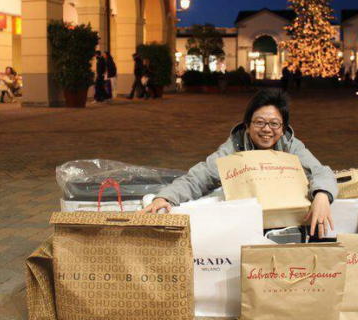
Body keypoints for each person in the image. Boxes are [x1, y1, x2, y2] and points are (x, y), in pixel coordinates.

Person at [140, 89, 338, 238]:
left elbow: (320, 172)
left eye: (274, 124)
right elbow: (199, 178)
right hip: (246, 224)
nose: (267, 129)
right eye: (260, 122)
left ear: (283, 127)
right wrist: (164, 198)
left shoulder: (291, 145)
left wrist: (322, 195)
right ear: (247, 125)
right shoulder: (233, 148)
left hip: (286, 222)